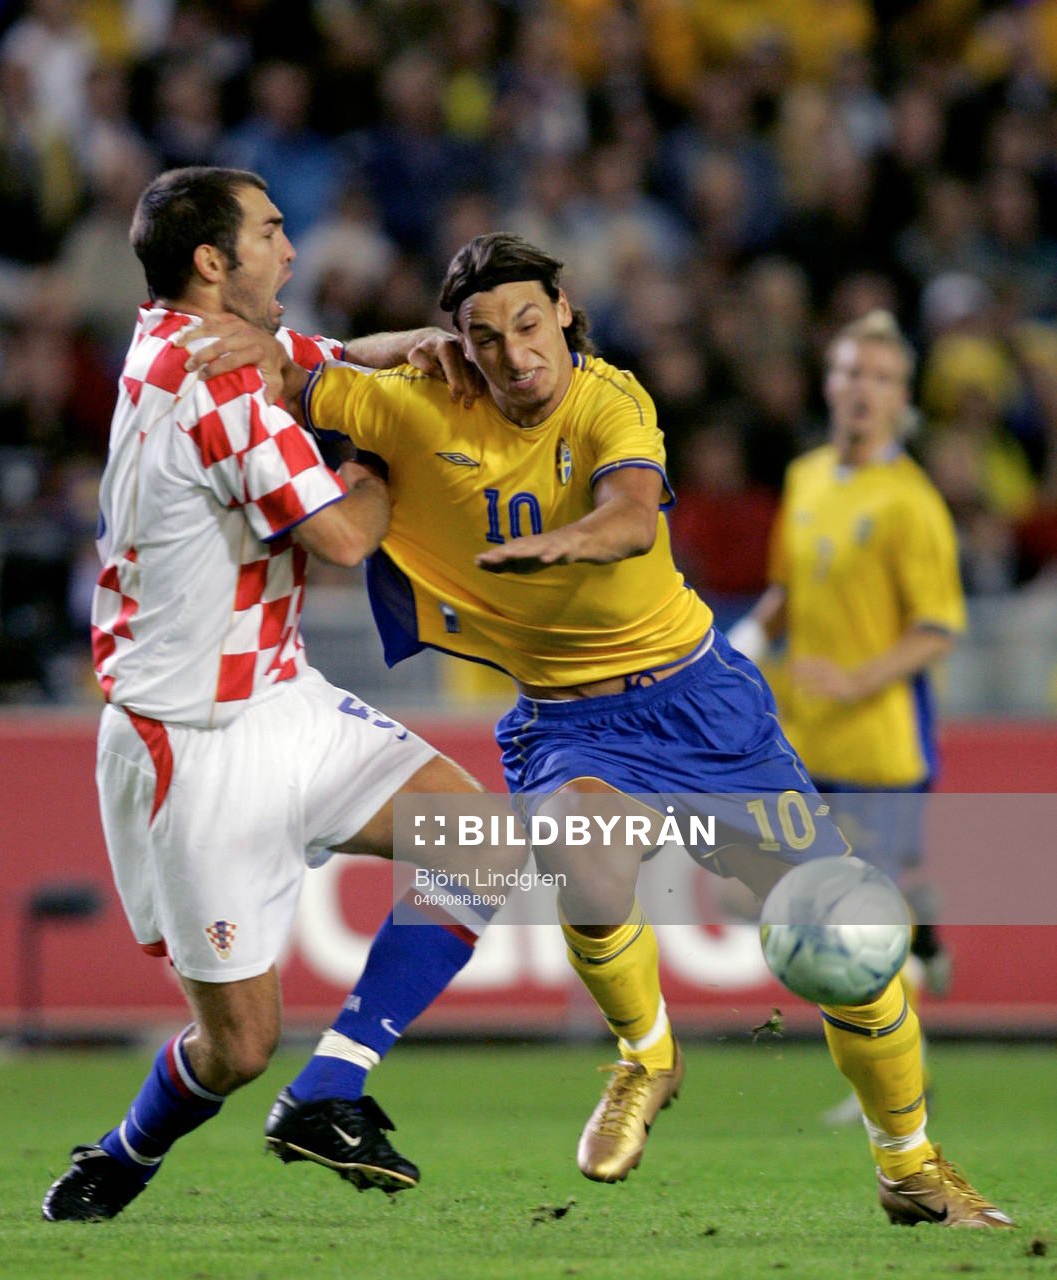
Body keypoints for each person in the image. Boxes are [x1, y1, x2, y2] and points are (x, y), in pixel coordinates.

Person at [188, 232, 1012, 1228]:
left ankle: (908, 1164)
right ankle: (644, 1055)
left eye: (529, 323)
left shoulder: (610, 398)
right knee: (583, 845)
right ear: (457, 345)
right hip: (569, 721)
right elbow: (295, 374)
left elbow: (630, 515)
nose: (515, 353)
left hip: (704, 707)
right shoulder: (410, 404)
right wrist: (327, 344)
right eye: (484, 336)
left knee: (847, 943)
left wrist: (565, 543)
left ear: (565, 313)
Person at [41, 168, 516, 1224]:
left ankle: (330, 1089)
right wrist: (388, 454)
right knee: (237, 1046)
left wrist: (415, 345)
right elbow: (343, 536)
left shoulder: (199, 338)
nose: (291, 248)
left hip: (279, 697)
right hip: (195, 742)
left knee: (478, 837)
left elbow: (330, 356)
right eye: (269, 231)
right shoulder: (214, 383)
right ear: (214, 261)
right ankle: (123, 1153)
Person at [727, 309, 965, 1123]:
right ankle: (924, 931)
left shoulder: (911, 503)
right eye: (850, 371)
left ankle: (900, 1084)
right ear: (828, 384)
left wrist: (856, 678)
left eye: (880, 377)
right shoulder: (805, 478)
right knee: (762, 896)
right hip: (802, 739)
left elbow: (937, 628)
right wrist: (744, 645)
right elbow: (788, 590)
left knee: (856, 915)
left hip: (877, 747)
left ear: (903, 399)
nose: (863, 389)